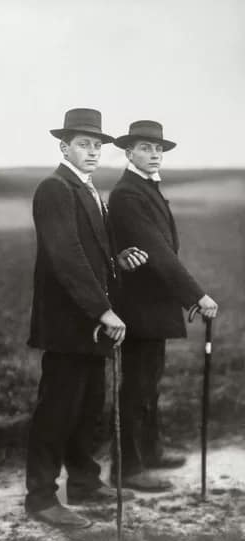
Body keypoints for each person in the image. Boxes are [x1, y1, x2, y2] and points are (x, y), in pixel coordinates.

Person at [25, 108, 148, 528]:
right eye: (84, 144)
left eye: (97, 145)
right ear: (65, 147)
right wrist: (103, 309)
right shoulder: (54, 188)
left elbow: (91, 252)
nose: (93, 151)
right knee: (57, 408)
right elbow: (66, 257)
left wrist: (117, 259)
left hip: (90, 321)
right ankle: (40, 498)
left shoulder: (88, 189)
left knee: (88, 406)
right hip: (68, 322)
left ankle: (83, 480)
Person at [108, 120, 218, 491]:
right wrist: (195, 295)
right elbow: (157, 251)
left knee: (149, 383)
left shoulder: (145, 188)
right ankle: (127, 467)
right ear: (129, 152)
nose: (154, 154)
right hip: (139, 306)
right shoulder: (128, 194)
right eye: (145, 147)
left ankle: (151, 451)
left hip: (154, 304)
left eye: (158, 149)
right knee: (137, 386)